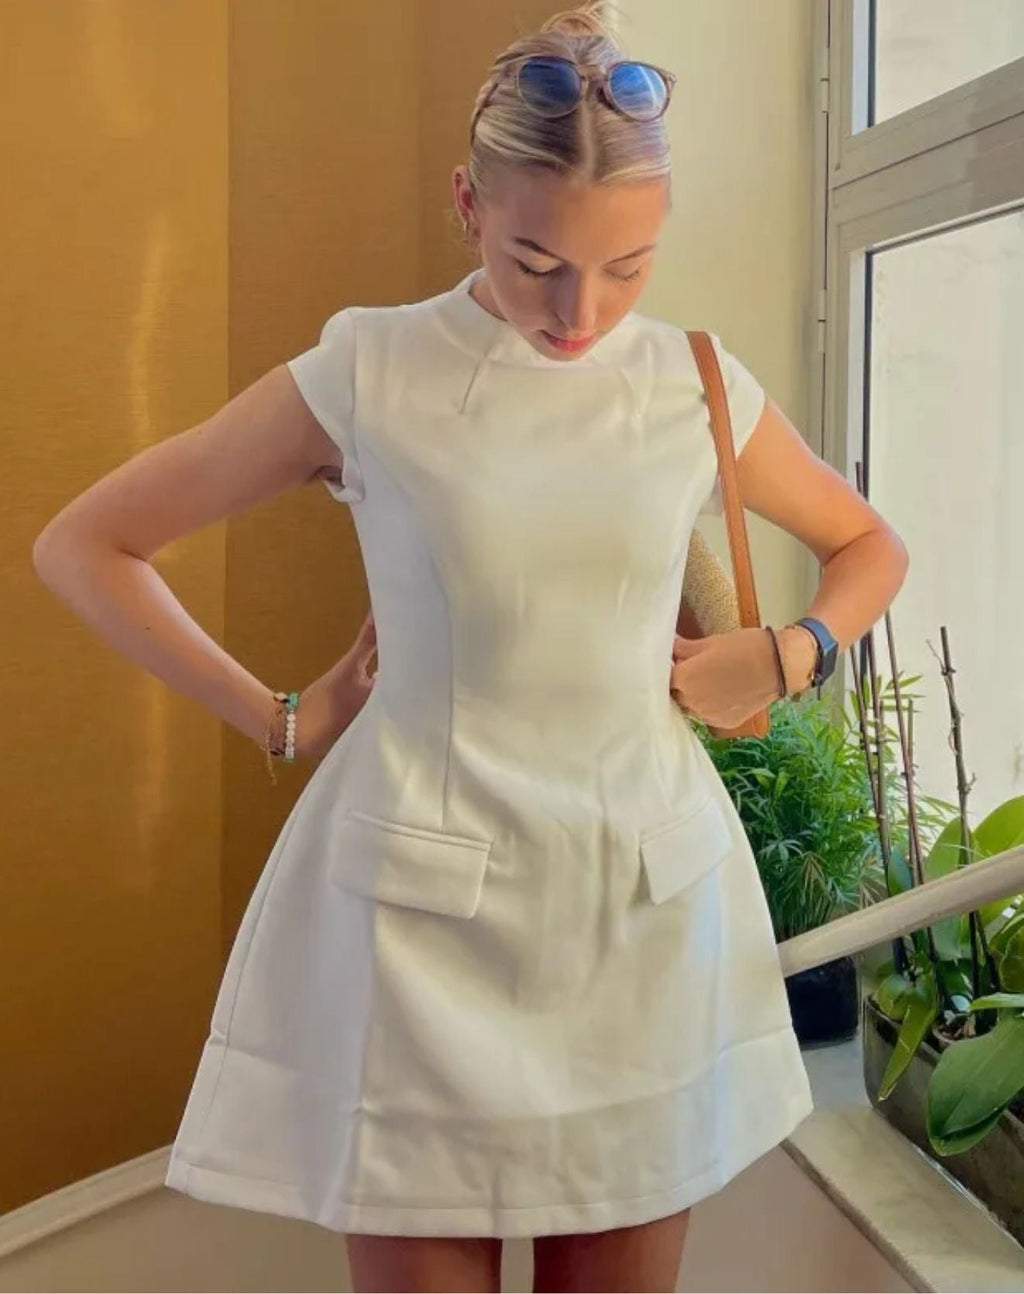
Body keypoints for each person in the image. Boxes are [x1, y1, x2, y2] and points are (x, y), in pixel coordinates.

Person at [32, 5, 908, 1291]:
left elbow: (869, 545)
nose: (578, 311)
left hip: (639, 915)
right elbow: (87, 544)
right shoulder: (372, 367)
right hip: (419, 934)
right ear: (466, 205)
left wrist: (790, 653)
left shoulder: (695, 383)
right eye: (534, 260)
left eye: (626, 267)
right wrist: (281, 714)